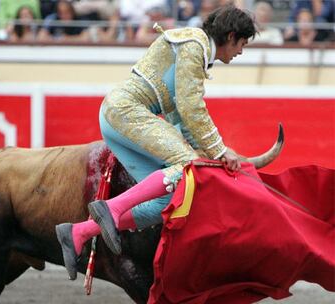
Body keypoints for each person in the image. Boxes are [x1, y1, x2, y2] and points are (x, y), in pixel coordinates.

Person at [56, 4, 255, 280]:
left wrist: (216, 151)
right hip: (127, 113)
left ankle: (78, 232)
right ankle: (111, 209)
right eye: (242, 44)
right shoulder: (195, 45)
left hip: (119, 116)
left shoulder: (191, 47)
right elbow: (191, 108)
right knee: (188, 167)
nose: (241, 52)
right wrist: (220, 150)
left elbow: (179, 118)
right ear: (231, 36)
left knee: (167, 200)